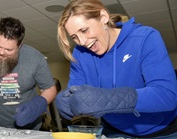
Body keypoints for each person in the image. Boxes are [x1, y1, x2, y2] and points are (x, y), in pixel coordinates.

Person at [55, 0, 177, 138]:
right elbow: (78, 93)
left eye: (84, 30)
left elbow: (167, 95)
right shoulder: (80, 53)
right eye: (74, 37)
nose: (82, 41)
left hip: (161, 131)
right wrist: (67, 102)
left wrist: (108, 99)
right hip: (113, 131)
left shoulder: (145, 37)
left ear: (103, 18)